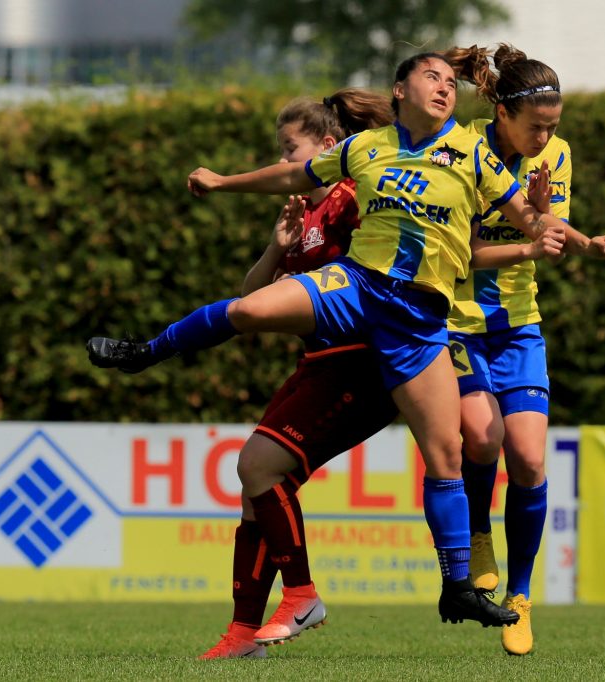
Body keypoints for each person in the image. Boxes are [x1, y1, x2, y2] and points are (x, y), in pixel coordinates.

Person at [87, 52, 587, 633]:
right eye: (433, 77)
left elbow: (524, 217)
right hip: (357, 286)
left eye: (451, 82)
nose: (445, 88)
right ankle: (146, 351)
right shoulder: (366, 146)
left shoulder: (476, 153)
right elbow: (294, 177)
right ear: (399, 89)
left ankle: (456, 588)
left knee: (448, 456)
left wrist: (547, 223)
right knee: (250, 307)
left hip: (419, 321)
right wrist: (223, 182)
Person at [194, 90, 399, 660]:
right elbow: (249, 303)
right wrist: (275, 249)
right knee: (254, 493)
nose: (283, 163)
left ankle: (303, 595)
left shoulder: (355, 199)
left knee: (257, 464)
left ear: (328, 149)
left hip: (361, 365)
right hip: (320, 365)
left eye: (290, 150)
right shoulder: (304, 215)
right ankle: (241, 637)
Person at [444, 44, 605, 655]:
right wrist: (533, 243)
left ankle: (519, 598)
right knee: (483, 437)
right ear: (502, 112)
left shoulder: (556, 153)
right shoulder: (461, 149)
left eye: (554, 125)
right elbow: (460, 252)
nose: (546, 136)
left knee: (527, 459)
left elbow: (549, 229)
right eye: (536, 125)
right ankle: (476, 535)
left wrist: (586, 244)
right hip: (458, 323)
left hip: (519, 325)